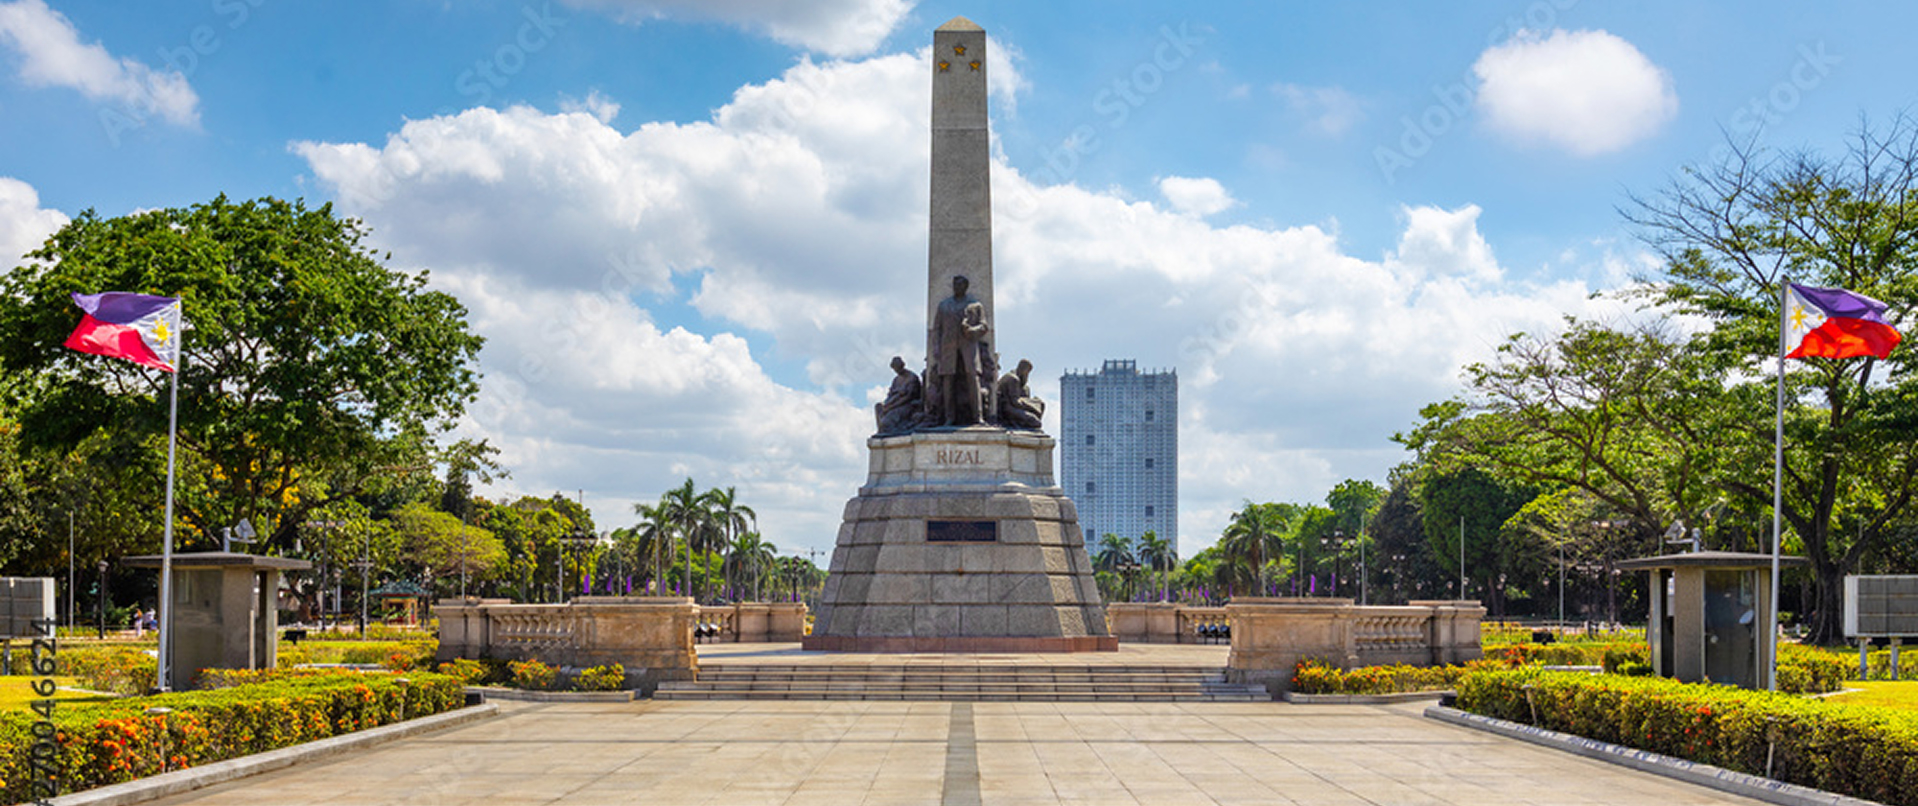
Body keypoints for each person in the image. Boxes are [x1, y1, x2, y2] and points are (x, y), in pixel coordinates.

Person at [928, 275, 989, 426]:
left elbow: (984, 326)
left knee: (973, 378)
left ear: (965, 287)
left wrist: (972, 330)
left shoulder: (975, 305)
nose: (957, 288)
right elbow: (937, 329)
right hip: (948, 347)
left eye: (960, 285)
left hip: (968, 345)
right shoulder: (944, 305)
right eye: (955, 285)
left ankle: (978, 416)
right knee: (948, 381)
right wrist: (936, 347)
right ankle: (949, 417)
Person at [874, 356, 924, 434]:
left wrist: (891, 406)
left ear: (902, 365)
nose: (897, 371)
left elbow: (908, 397)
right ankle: (881, 429)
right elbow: (890, 394)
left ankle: (884, 427)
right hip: (894, 403)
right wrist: (887, 404)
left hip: (906, 405)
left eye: (898, 368)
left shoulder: (912, 378)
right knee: (878, 407)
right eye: (895, 369)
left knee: (886, 422)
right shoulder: (896, 379)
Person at [993, 359, 1045, 429]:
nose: (1027, 375)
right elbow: (1015, 402)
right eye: (1027, 372)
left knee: (1039, 406)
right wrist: (1033, 406)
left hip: (1011, 407)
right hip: (1007, 409)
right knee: (1035, 422)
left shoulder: (1021, 383)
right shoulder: (1013, 379)